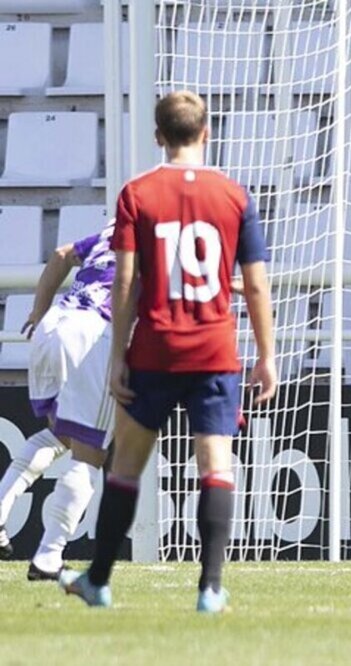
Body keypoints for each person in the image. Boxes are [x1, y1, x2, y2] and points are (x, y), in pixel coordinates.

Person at [60, 91, 277, 613]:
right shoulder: (234, 196)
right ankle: (210, 588)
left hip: (155, 349)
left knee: (127, 466)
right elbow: (255, 286)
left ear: (158, 136)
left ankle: (100, 580)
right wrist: (267, 355)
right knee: (216, 464)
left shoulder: (138, 193)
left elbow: (127, 280)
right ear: (206, 132)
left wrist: (118, 355)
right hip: (215, 351)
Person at [0, 219, 116, 580]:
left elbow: (61, 254)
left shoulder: (112, 230)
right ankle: (49, 556)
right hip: (92, 333)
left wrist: (38, 309)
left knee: (60, 437)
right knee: (89, 452)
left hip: (54, 322)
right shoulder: (162, 239)